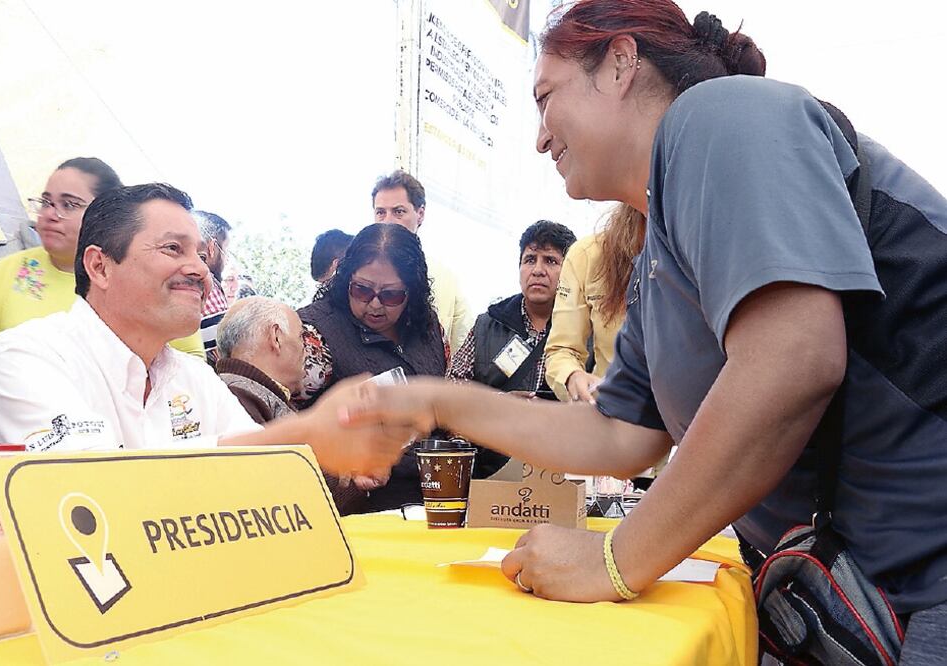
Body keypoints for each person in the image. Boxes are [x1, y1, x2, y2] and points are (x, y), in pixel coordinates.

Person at [337, 1, 947, 659]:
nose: (540, 137)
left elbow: (795, 356)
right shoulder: (659, 254)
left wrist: (615, 558)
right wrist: (434, 403)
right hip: (856, 601)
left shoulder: (722, 118)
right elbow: (619, 433)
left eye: (546, 97)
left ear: (621, 62)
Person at [0, 183, 409, 481]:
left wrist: (335, 448)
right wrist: (310, 430)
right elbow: (90, 496)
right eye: (173, 249)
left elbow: (264, 474)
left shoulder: (193, 377)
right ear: (100, 266)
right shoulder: (25, 359)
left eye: (201, 255)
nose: (199, 270)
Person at [0, 158, 205, 378]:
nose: (50, 214)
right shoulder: (5, 269)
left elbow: (192, 369)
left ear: (106, 216)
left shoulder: (145, 277)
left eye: (69, 204)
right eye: (46, 202)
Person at [298, 223, 446, 512]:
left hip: (426, 503)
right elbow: (283, 420)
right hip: (354, 509)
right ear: (345, 279)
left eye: (391, 295)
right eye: (362, 290)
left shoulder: (428, 327)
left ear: (412, 292)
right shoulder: (315, 334)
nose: (375, 305)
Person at [215, 295, 366, 514]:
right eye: (302, 336)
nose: (309, 349)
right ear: (276, 338)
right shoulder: (239, 397)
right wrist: (354, 482)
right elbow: (282, 502)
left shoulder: (253, 392)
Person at [448, 219, 576, 397]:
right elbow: (453, 385)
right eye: (530, 260)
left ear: (571, 271)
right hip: (491, 424)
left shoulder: (584, 330)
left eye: (550, 261)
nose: (538, 270)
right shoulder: (488, 325)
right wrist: (500, 403)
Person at [544, 204, 645, 403]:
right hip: (613, 413)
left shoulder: (699, 243)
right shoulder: (588, 254)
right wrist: (573, 377)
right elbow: (563, 349)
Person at [372, 170, 472, 353]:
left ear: (420, 214)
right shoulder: (351, 272)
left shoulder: (446, 279)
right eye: (380, 212)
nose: (388, 221)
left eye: (398, 212)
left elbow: (461, 351)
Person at [194, 210, 232, 363]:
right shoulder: (206, 283)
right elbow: (223, 352)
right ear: (212, 246)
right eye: (226, 249)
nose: (226, 258)